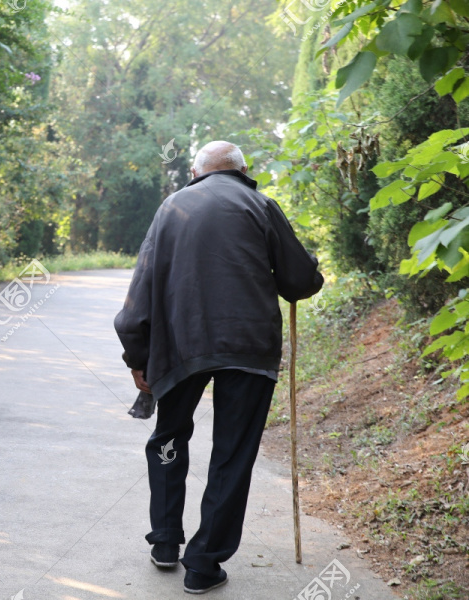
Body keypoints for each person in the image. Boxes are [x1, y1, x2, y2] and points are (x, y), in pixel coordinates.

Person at [114, 141, 323, 594]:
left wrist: (137, 356)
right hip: (248, 350)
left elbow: (139, 293)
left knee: (169, 439)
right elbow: (300, 282)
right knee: (232, 453)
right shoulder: (261, 205)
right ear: (244, 171)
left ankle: (166, 542)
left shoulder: (172, 208)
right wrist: (311, 267)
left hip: (179, 348)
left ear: (195, 172)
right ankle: (204, 564)